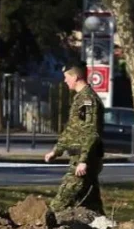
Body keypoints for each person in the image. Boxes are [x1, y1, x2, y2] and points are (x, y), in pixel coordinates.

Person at [44, 60, 105, 214]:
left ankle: (42, 227)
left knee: (61, 201)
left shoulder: (88, 100)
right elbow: (72, 129)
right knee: (91, 206)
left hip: (83, 160)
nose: (65, 81)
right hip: (80, 158)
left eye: (67, 77)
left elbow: (91, 132)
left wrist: (84, 161)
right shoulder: (79, 99)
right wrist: (56, 151)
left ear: (76, 77)